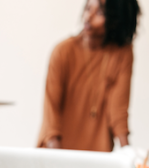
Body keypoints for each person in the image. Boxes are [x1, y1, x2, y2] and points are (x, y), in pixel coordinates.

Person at [37, 0, 140, 151]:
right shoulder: (63, 52)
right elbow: (51, 110)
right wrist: (56, 156)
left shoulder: (122, 53)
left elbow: (118, 109)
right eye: (88, 8)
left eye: (99, 12)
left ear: (116, 18)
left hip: (97, 157)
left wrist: (129, 154)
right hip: (56, 150)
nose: (88, 16)